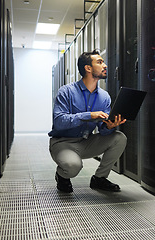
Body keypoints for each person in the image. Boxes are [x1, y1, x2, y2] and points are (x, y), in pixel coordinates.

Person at [48, 50, 127, 193]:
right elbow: (59, 121)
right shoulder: (66, 92)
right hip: (62, 143)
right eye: (100, 62)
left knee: (119, 138)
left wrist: (109, 126)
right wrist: (89, 115)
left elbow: (103, 130)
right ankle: (62, 176)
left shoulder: (104, 97)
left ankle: (99, 179)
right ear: (88, 68)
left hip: (86, 142)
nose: (105, 65)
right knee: (73, 166)